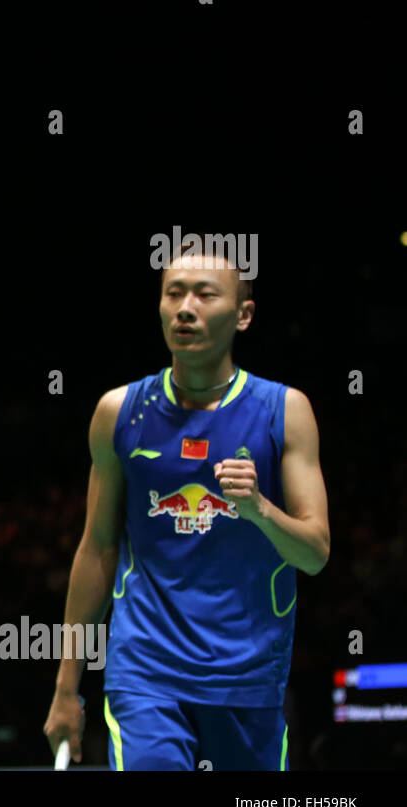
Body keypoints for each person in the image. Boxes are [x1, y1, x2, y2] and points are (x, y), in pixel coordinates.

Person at [43, 245, 330, 770]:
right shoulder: (119, 413)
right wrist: (67, 688)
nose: (184, 307)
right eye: (173, 293)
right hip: (146, 671)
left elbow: (314, 554)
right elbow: (97, 548)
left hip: (248, 677)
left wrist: (261, 509)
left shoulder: (284, 411)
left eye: (204, 294)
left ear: (243, 315)